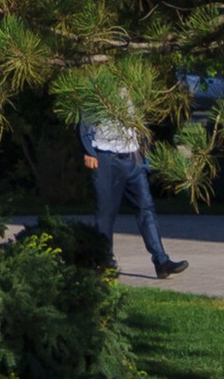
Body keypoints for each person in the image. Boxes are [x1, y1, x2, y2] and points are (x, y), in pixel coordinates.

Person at [79, 101, 188, 280]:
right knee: (106, 212)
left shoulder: (132, 89)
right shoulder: (97, 89)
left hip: (133, 157)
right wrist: (88, 151)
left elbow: (140, 120)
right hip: (106, 156)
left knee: (146, 208)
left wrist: (143, 149)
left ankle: (161, 261)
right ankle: (105, 261)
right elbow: (84, 120)